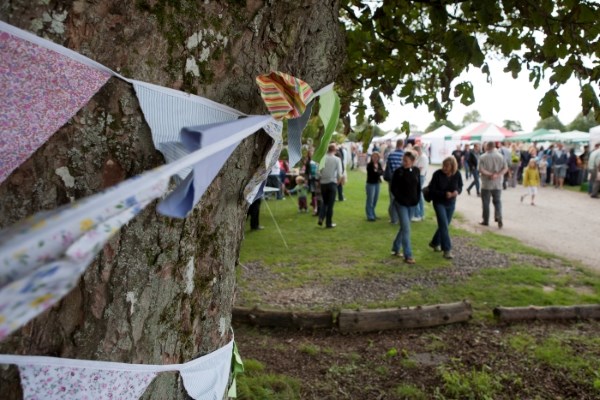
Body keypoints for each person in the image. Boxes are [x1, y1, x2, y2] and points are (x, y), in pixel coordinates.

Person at [428, 156, 463, 259]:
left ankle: (434, 243)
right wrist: (444, 194)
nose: (444, 168)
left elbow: (460, 186)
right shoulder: (437, 174)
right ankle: (447, 250)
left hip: (451, 203)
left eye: (447, 166)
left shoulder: (457, 174)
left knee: (445, 225)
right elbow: (431, 190)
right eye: (443, 165)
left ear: (453, 166)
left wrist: (457, 192)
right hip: (439, 202)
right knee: (444, 225)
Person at [390, 152, 421, 264]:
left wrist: (417, 199)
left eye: (406, 161)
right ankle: (408, 255)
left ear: (412, 161)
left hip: (412, 204)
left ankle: (395, 247)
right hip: (401, 204)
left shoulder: (416, 171)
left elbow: (418, 186)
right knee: (407, 228)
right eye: (403, 160)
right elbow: (393, 188)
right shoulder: (399, 172)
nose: (403, 163)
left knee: (404, 228)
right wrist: (400, 198)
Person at [479, 141, 508, 229]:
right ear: (494, 147)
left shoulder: (483, 157)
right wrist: (497, 175)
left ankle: (486, 220)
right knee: (497, 201)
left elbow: (481, 169)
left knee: (486, 203)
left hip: (486, 184)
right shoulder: (500, 156)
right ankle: (498, 216)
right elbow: (505, 168)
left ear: (487, 147)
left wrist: (490, 174)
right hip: (497, 184)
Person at [318, 143, 343, 228]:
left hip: (323, 183)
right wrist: (338, 182)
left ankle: (321, 217)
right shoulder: (337, 159)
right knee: (330, 204)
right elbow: (340, 173)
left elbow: (319, 171)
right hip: (332, 182)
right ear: (335, 150)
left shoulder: (322, 158)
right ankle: (328, 223)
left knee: (324, 202)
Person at [384, 139, 405, 224]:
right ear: (402, 144)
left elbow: (388, 166)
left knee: (392, 198)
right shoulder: (404, 155)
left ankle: (394, 218)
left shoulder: (391, 154)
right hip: (402, 179)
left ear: (396, 144)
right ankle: (401, 217)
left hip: (392, 179)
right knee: (401, 198)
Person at [411, 145, 429, 221]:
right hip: (419, 176)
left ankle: (418, 214)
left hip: (419, 176)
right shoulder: (420, 157)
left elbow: (419, 169)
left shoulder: (423, 158)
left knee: (417, 195)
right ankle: (420, 214)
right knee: (419, 195)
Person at [365, 151, 383, 221]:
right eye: (374, 157)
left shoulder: (379, 164)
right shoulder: (369, 165)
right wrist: (378, 172)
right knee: (370, 200)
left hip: (377, 183)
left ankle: (373, 213)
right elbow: (373, 174)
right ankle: (370, 215)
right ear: (371, 157)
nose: (375, 158)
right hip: (370, 184)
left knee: (375, 199)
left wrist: (377, 171)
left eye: (376, 157)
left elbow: (382, 172)